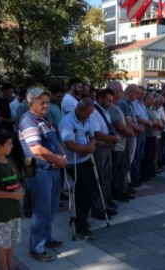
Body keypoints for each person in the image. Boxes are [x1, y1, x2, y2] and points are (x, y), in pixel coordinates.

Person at [19, 88, 67, 262]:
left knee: (51, 209)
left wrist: (62, 156)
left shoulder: (43, 119)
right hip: (40, 172)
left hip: (52, 170)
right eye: (42, 103)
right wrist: (59, 160)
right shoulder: (28, 121)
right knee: (41, 212)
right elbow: (37, 150)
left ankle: (46, 239)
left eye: (47, 102)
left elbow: (54, 141)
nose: (46, 105)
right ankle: (36, 248)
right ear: (31, 104)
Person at [0, 129, 24, 270]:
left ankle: (10, 267)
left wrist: (20, 190)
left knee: (11, 241)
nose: (12, 146)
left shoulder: (11, 162)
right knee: (3, 243)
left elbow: (17, 181)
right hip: (3, 213)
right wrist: (13, 195)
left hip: (14, 210)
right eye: (9, 144)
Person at [59, 98, 97, 240]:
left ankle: (76, 216)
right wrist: (87, 148)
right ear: (79, 109)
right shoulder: (67, 122)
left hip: (86, 160)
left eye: (90, 114)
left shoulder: (86, 119)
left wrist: (90, 147)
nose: (89, 116)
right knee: (85, 192)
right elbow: (70, 145)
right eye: (87, 113)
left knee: (84, 191)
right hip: (73, 162)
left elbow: (92, 136)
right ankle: (82, 226)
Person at [89, 88, 120, 219]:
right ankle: (97, 208)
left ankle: (104, 203)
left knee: (106, 178)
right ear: (100, 98)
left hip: (107, 147)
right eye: (108, 100)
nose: (110, 103)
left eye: (112, 100)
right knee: (98, 179)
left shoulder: (105, 111)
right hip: (99, 148)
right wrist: (113, 138)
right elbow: (96, 133)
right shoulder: (94, 112)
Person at [108, 81, 134, 204]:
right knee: (116, 171)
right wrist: (131, 132)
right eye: (120, 90)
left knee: (122, 168)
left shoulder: (117, 105)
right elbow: (119, 125)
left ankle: (118, 191)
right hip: (116, 146)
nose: (122, 92)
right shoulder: (112, 107)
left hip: (121, 144)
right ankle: (115, 193)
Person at [117, 85, 144, 196]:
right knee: (126, 163)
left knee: (129, 162)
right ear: (131, 92)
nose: (138, 96)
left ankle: (126, 185)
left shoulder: (128, 104)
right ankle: (123, 188)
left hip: (132, 136)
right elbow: (129, 122)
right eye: (137, 93)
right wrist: (139, 129)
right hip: (129, 138)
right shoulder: (124, 103)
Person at [131, 86, 152, 183]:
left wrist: (148, 123)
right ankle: (135, 176)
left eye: (143, 94)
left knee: (141, 154)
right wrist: (147, 123)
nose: (142, 96)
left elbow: (145, 116)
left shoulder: (141, 104)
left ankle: (139, 174)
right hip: (137, 132)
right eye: (140, 93)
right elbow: (137, 118)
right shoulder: (134, 104)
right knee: (136, 155)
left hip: (143, 131)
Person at [142, 94, 165, 179]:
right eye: (151, 100)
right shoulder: (145, 108)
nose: (152, 101)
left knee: (152, 154)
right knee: (147, 155)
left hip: (154, 134)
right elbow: (148, 121)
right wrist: (157, 125)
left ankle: (150, 170)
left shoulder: (151, 109)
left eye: (152, 100)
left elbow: (157, 119)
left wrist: (160, 124)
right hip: (149, 134)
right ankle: (145, 172)